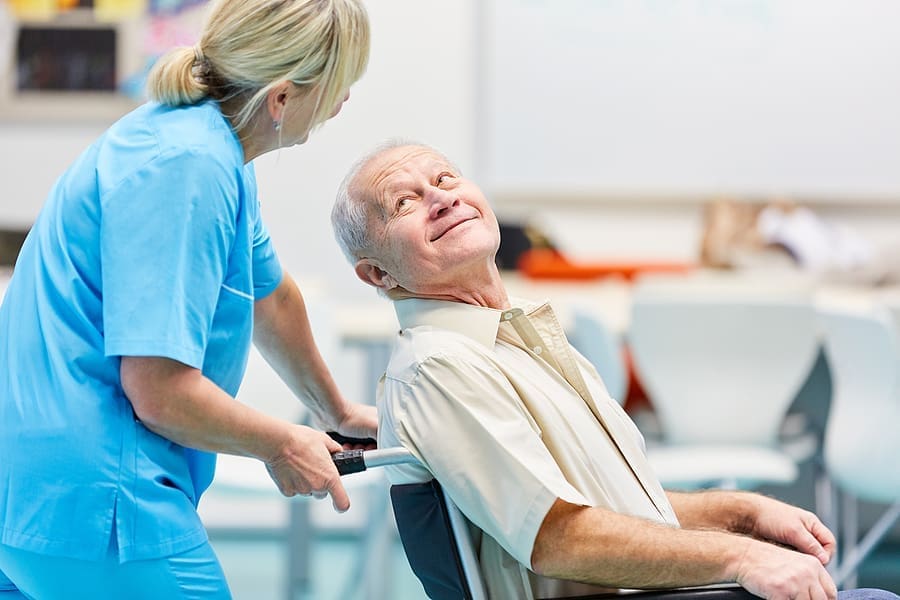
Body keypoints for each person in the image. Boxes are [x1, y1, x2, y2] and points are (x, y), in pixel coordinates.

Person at [331, 140, 900, 600]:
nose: (441, 198)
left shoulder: (511, 340)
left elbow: (613, 505)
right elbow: (557, 535)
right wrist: (743, 556)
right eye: (404, 203)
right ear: (378, 274)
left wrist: (739, 512)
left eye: (446, 178)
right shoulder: (439, 367)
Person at [0, 1, 374, 597]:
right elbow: (159, 391)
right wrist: (283, 444)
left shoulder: (206, 144)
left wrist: (336, 411)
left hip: (35, 486)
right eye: (339, 85)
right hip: (94, 500)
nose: (344, 102)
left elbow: (271, 297)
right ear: (281, 98)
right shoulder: (189, 167)